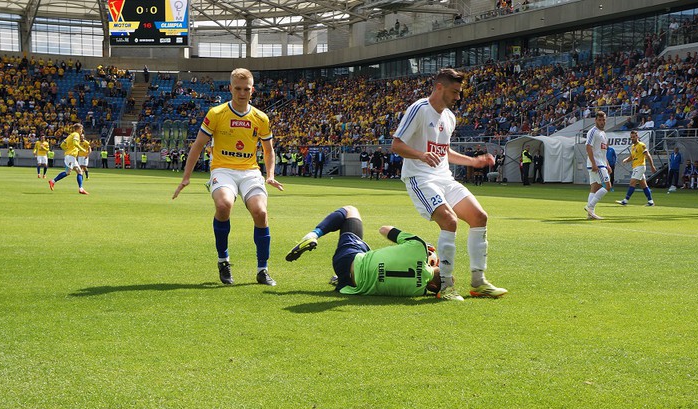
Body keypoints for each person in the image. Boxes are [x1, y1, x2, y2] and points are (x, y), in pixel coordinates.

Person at [391, 68, 506, 301]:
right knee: (449, 221)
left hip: (444, 178)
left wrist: (473, 161)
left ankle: (478, 282)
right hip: (420, 178)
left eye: (459, 93)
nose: (458, 97)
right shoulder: (419, 110)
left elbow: (445, 152)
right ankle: (445, 285)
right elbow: (396, 145)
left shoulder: (450, 117)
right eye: (454, 92)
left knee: (479, 217)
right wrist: (421, 155)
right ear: (439, 87)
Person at [172, 67, 283, 287]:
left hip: (250, 171)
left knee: (261, 212)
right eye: (238, 88)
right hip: (222, 169)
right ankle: (224, 261)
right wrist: (186, 177)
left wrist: (269, 175)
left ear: (252, 90)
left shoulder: (261, 117)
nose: (242, 93)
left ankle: (263, 269)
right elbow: (197, 146)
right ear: (230, 88)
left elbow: (269, 150)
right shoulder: (216, 114)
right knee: (223, 206)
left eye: (246, 89)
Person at [285, 206, 440, 296]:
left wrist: (421, 245)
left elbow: (384, 229)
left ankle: (313, 235)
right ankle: (338, 277)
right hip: (349, 285)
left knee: (349, 210)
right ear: (432, 287)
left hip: (348, 258)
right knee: (369, 255)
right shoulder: (417, 293)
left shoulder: (419, 248)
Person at [584, 110, 612, 219]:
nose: (602, 122)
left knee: (594, 188)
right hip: (596, 164)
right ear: (595, 120)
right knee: (607, 186)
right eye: (599, 120)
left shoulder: (604, 134)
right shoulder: (593, 131)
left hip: (601, 163)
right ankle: (590, 207)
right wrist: (594, 163)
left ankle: (590, 214)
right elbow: (588, 147)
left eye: (603, 120)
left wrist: (608, 164)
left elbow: (603, 152)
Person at [617, 130, 656, 206]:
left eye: (634, 137)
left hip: (640, 166)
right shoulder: (633, 146)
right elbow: (632, 157)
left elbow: (648, 155)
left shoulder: (641, 145)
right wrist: (626, 160)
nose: (632, 138)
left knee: (632, 183)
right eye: (631, 137)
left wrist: (652, 166)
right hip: (636, 167)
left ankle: (625, 201)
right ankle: (650, 201)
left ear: (637, 137)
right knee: (644, 185)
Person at [48, 123, 88, 195]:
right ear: (78, 129)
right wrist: (82, 149)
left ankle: (81, 189)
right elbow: (75, 143)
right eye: (81, 129)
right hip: (71, 156)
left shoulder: (70, 135)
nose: (82, 131)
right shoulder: (76, 135)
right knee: (68, 172)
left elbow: (62, 145)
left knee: (80, 172)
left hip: (71, 156)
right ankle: (52, 181)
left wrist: (68, 150)